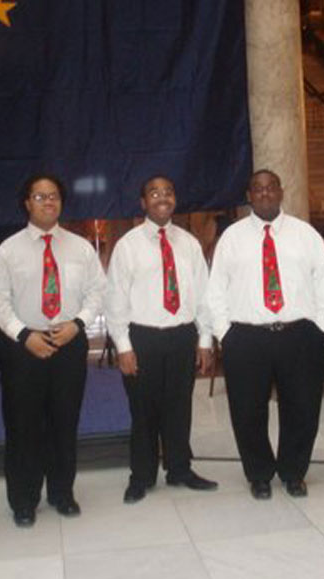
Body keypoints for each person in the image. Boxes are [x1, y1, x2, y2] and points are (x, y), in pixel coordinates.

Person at [207, 169, 324, 499]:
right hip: (247, 338)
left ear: (281, 192)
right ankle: (259, 473)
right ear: (249, 195)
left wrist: (319, 326)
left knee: (302, 407)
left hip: (299, 335)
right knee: (248, 411)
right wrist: (226, 334)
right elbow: (216, 290)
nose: (265, 193)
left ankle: (294, 472)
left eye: (271, 188)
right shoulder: (232, 238)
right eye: (257, 188)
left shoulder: (305, 234)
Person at [0, 175, 105, 526]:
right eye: (40, 196)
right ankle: (23, 500)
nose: (48, 202)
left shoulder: (81, 247)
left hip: (69, 342)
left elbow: (98, 291)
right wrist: (23, 335)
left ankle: (62, 493)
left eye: (53, 196)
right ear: (27, 203)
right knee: (23, 427)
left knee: (64, 423)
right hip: (24, 348)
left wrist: (78, 324)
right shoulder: (8, 250)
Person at [106, 175, 217, 503]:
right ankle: (141, 476)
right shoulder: (128, 245)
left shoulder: (189, 243)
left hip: (182, 336)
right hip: (143, 338)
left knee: (179, 408)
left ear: (175, 199)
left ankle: (180, 469)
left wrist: (205, 340)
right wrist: (123, 346)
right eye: (154, 193)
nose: (162, 197)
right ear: (143, 202)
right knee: (143, 411)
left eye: (168, 192)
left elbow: (203, 295)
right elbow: (115, 299)